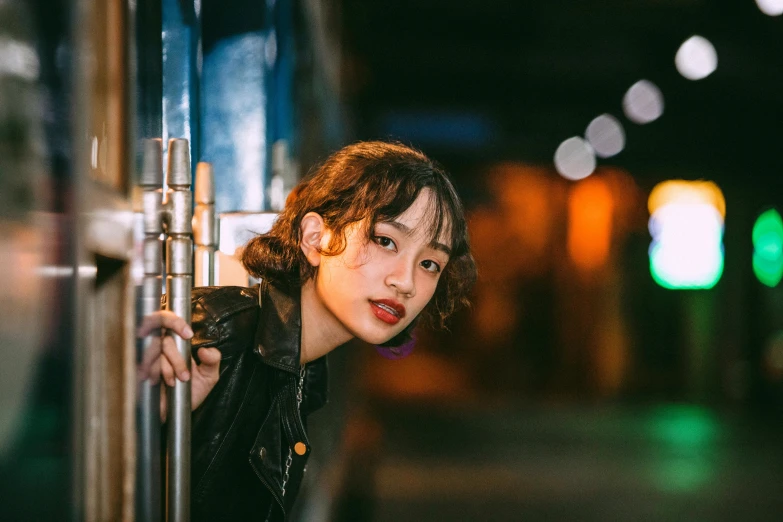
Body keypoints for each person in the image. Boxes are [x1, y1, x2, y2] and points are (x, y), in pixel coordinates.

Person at [137, 141, 477, 521]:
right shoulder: (217, 333)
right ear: (315, 238)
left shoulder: (304, 369)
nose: (406, 282)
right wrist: (145, 419)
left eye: (430, 263)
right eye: (385, 241)